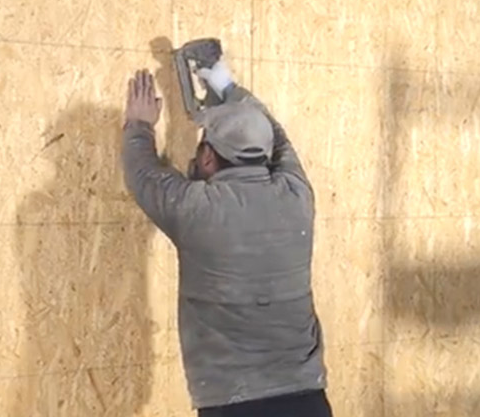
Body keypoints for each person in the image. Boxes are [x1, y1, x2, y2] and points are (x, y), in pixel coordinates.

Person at [121, 61, 332, 417]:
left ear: (207, 156)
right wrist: (226, 84)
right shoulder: (297, 196)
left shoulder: (196, 209)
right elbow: (276, 135)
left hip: (233, 403)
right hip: (307, 398)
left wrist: (140, 124)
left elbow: (143, 174)